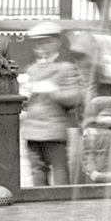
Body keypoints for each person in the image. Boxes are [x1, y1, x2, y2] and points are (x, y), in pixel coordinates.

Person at [19, 21, 82, 187]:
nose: (42, 47)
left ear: (58, 43)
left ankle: (62, 208)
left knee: (60, 173)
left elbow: (75, 98)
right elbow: (24, 102)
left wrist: (54, 91)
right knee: (37, 172)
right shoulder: (30, 70)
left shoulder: (65, 68)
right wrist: (23, 96)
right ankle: (41, 208)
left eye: (46, 42)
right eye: (38, 43)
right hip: (32, 130)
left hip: (54, 130)